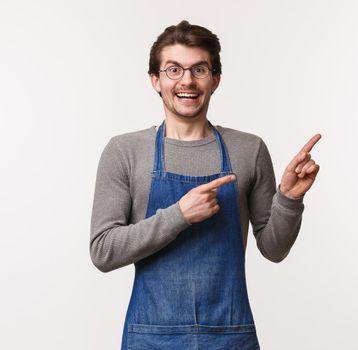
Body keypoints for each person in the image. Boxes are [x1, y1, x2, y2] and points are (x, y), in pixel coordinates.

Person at [90, 20, 321, 350]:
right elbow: (103, 251)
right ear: (155, 80)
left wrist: (289, 199)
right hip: (151, 340)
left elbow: (274, 249)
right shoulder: (125, 151)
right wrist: (179, 215)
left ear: (215, 80)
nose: (187, 80)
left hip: (230, 338)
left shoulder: (248, 149)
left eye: (199, 69)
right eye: (174, 70)